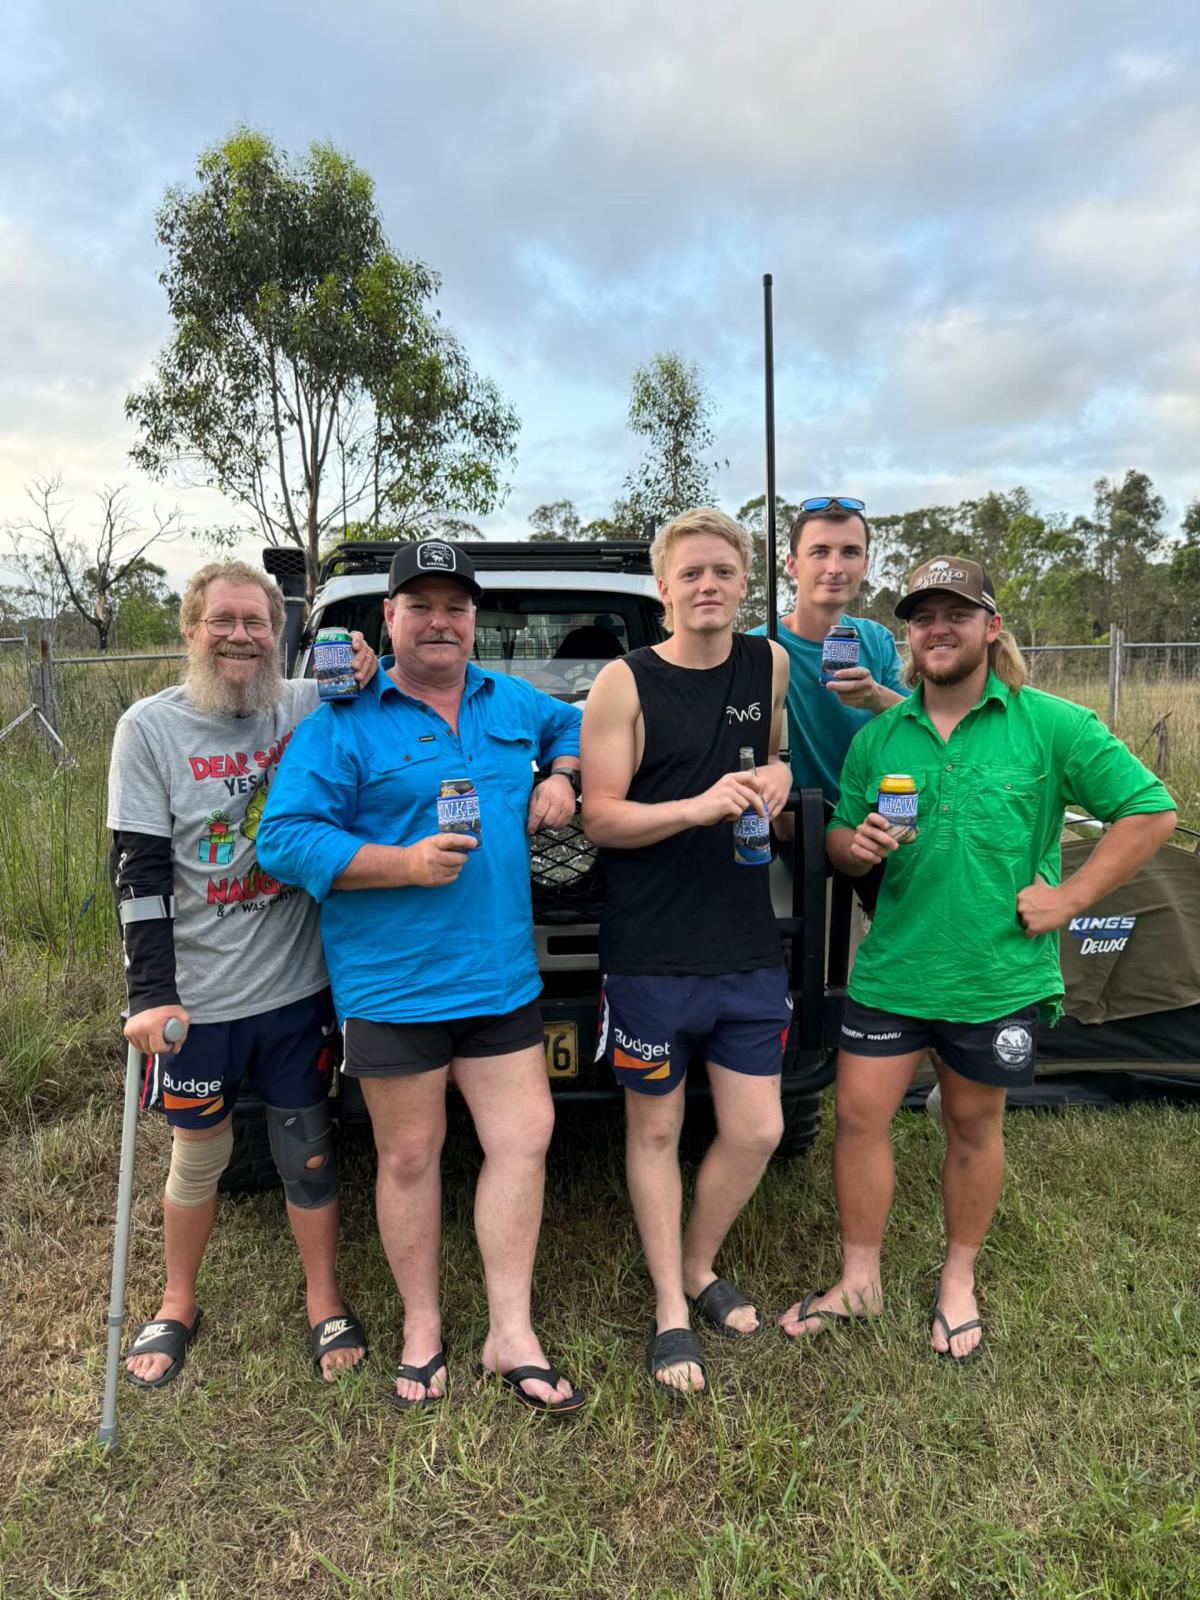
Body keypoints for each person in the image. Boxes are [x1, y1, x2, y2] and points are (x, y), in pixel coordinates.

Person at [779, 556, 1177, 1359]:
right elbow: (841, 842)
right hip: (893, 969)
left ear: (991, 629)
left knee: (972, 1124)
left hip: (998, 976)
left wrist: (1069, 899)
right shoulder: (880, 736)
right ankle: (860, 1281)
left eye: (956, 613)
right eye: (923, 616)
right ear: (908, 638)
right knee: (858, 1122)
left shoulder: (1051, 724)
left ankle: (957, 1278)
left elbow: (1150, 810)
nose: (939, 628)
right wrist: (849, 845)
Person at [256, 539, 587, 1417]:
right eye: (421, 605)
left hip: (502, 977)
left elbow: (579, 723)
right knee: (409, 1156)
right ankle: (423, 1325)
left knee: (525, 1136)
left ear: (474, 622)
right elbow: (282, 839)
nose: (441, 621)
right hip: (393, 984)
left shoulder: (506, 699)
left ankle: (509, 1331)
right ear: (389, 619)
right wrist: (398, 865)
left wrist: (563, 771)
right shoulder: (343, 721)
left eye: (456, 607)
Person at [108, 559, 376, 1389]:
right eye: (221, 621)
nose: (239, 637)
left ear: (278, 633)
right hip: (200, 1001)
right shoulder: (148, 731)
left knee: (306, 1149)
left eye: (255, 623)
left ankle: (324, 1298)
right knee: (201, 1154)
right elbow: (139, 879)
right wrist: (152, 994)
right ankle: (177, 1300)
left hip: (297, 991)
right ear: (189, 632)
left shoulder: (303, 702)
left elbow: (390, 688)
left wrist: (366, 659)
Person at [581, 507, 793, 1396]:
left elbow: (773, 755)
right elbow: (600, 816)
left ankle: (700, 1264)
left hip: (745, 944)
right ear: (663, 590)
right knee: (657, 1127)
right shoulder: (622, 684)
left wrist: (779, 776)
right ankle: (670, 1306)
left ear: (746, 585)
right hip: (652, 949)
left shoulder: (769, 663)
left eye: (725, 572)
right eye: (691, 574)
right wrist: (698, 806)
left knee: (758, 1129)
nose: (709, 586)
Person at [751, 496, 907, 805]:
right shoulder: (755, 647)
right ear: (791, 565)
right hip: (782, 835)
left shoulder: (877, 640)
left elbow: (922, 726)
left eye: (849, 552)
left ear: (864, 565)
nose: (835, 568)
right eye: (820, 552)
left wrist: (876, 697)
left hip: (869, 829)